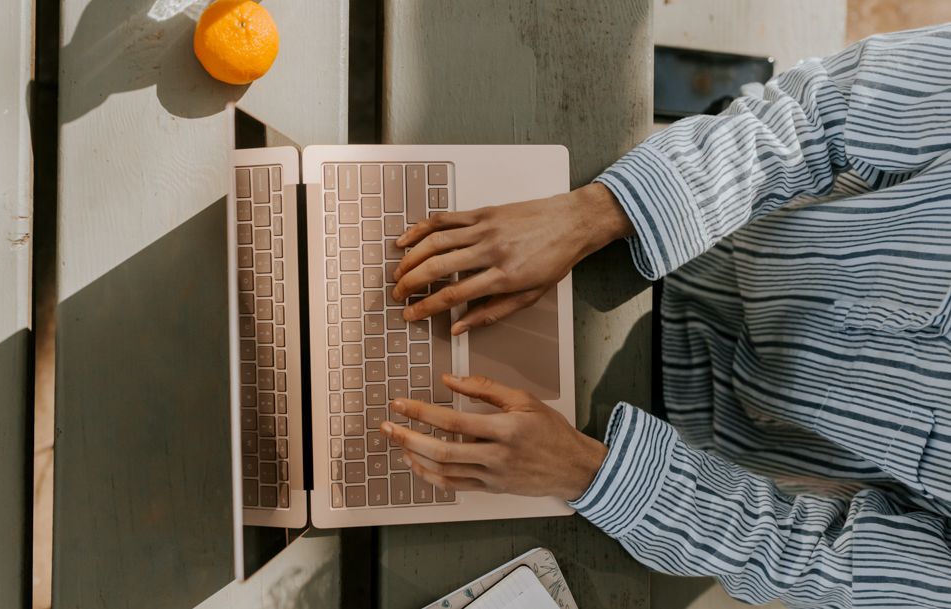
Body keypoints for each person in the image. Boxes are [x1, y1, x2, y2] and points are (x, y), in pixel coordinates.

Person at [378, 23, 951, 608]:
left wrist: (588, 473)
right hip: (642, 212)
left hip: (658, 462)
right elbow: (824, 111)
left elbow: (823, 564)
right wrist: (594, 212)